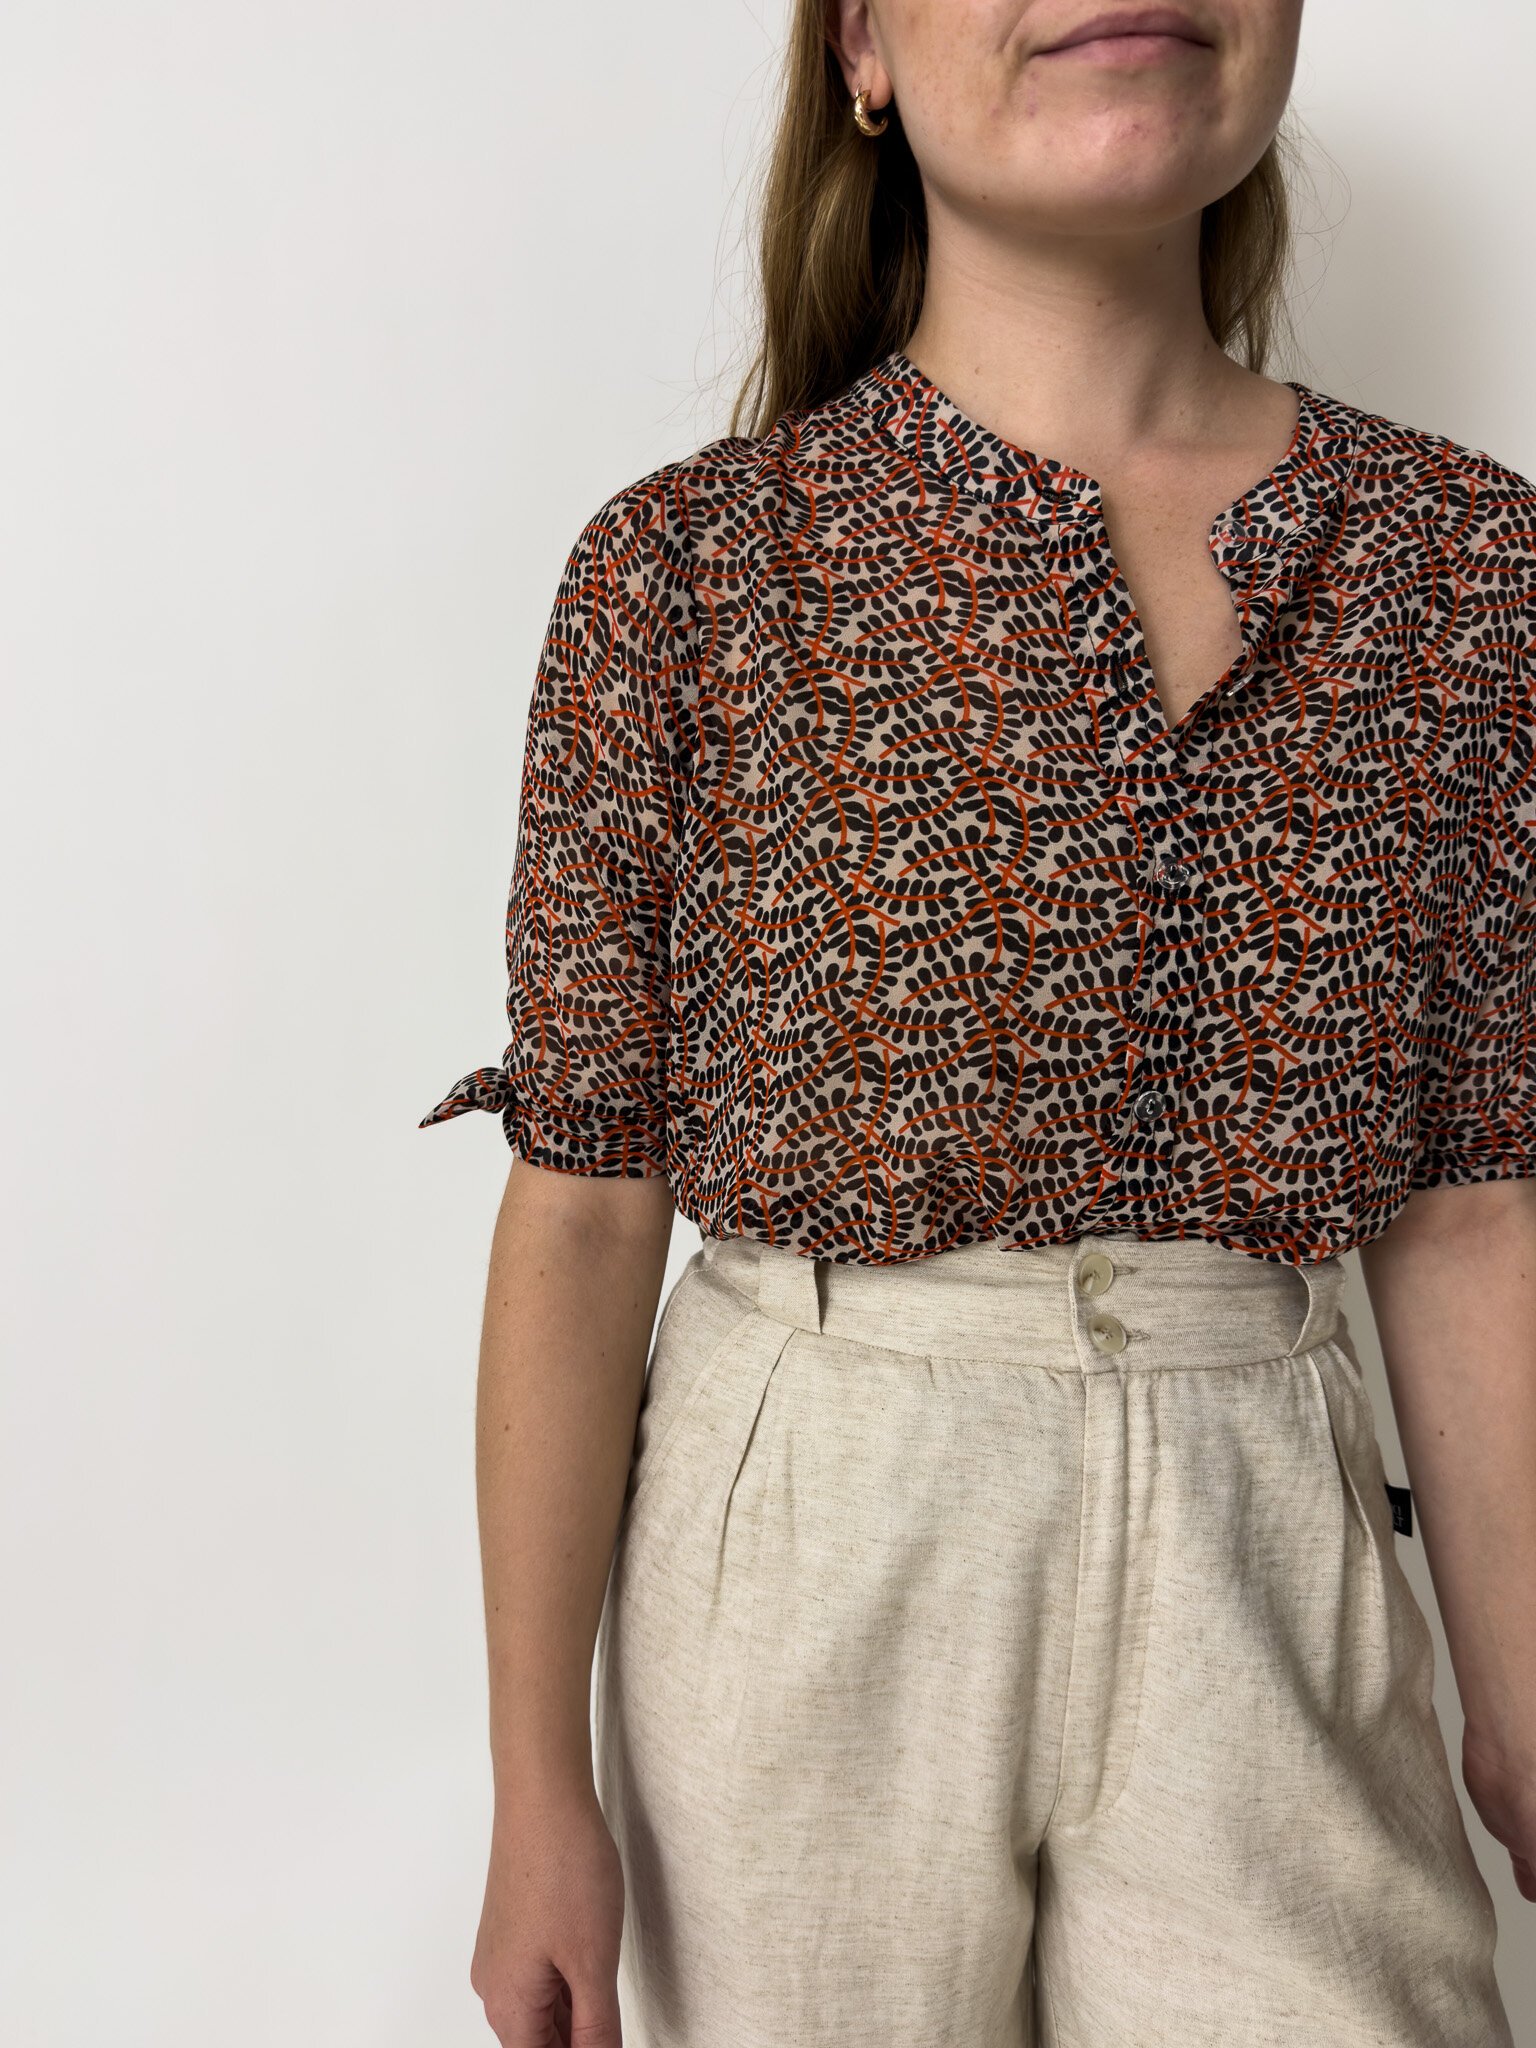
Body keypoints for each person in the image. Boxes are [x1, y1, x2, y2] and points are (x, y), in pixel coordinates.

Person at [420, 3, 1536, 2042]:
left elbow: (1469, 1194)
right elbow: (582, 1205)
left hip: (1269, 1517)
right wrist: (534, 1786)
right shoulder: (688, 578)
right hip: (817, 1537)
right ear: (861, 47)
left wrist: (1524, 1687)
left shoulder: (1464, 570)